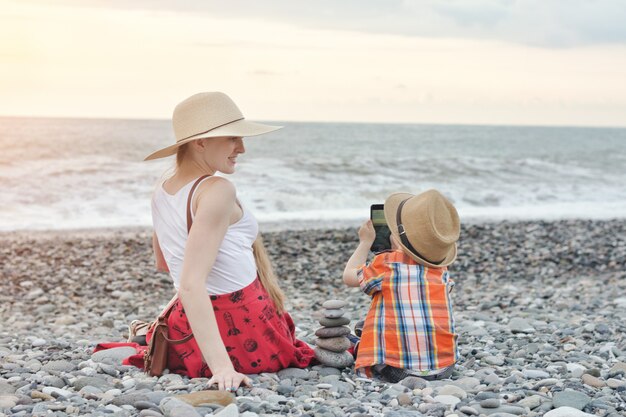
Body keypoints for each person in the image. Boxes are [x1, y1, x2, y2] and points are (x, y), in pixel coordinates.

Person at [143, 92, 314, 391]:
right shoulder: (217, 189)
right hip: (243, 328)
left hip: (187, 328)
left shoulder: (161, 189)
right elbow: (191, 282)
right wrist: (223, 369)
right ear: (201, 142)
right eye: (233, 138)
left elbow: (164, 263)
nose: (242, 148)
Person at [342, 189, 460, 382]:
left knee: (355, 335)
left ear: (398, 238)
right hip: (445, 366)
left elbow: (348, 277)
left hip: (399, 370)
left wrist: (365, 242)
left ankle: (358, 345)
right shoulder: (441, 269)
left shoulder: (387, 263)